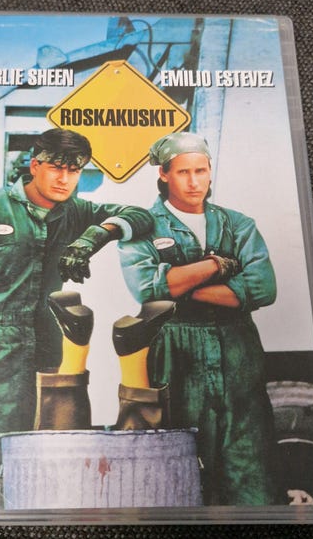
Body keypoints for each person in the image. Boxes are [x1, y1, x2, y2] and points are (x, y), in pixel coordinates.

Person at [0, 128, 153, 510]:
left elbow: (140, 216)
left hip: (45, 367)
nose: (65, 179)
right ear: (34, 166)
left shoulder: (76, 212)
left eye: (74, 171)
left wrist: (93, 237)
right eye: (56, 168)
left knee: (35, 481)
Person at [118, 132, 277, 505]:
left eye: (201, 171)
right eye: (183, 172)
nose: (194, 182)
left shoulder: (239, 224)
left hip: (237, 349)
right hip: (176, 350)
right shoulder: (142, 226)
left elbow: (263, 288)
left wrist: (179, 286)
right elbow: (146, 289)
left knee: (248, 459)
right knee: (180, 457)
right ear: (163, 174)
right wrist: (217, 267)